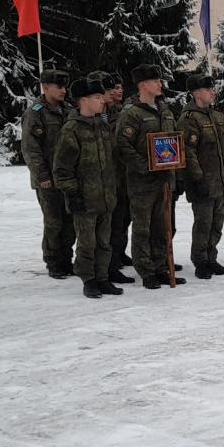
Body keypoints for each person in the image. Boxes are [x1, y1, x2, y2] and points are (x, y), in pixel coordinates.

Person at [52, 79, 124, 298]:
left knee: (104, 241)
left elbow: (112, 160)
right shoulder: (71, 130)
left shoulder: (102, 127)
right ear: (84, 101)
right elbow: (62, 169)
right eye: (97, 97)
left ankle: (102, 277)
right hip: (85, 198)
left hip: (106, 196)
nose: (102, 101)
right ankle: (88, 279)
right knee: (87, 243)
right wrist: (72, 193)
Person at [116, 64, 182, 289]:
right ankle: (146, 270)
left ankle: (162, 267)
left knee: (162, 226)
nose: (159, 85)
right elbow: (123, 146)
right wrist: (145, 166)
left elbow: (173, 140)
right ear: (143, 85)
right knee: (143, 228)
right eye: (155, 81)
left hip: (164, 179)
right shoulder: (132, 113)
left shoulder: (165, 109)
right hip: (142, 181)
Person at [179, 74, 224, 278]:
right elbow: (188, 152)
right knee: (203, 224)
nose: (213, 92)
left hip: (220, 180)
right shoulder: (189, 119)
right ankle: (200, 261)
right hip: (203, 182)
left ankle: (212, 257)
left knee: (216, 224)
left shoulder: (218, 117)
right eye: (207, 89)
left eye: (212, 88)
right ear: (195, 93)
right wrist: (197, 178)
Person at [21, 68, 74, 279]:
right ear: (46, 88)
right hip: (48, 178)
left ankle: (66, 258)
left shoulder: (68, 110)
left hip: (66, 176)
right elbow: (30, 148)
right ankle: (54, 261)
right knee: (54, 222)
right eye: (59, 87)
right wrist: (42, 176)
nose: (63, 90)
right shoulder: (35, 112)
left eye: (65, 87)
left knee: (70, 220)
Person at [87, 70, 136, 284]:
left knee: (119, 224)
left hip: (120, 177)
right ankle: (99, 270)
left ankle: (114, 262)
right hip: (98, 182)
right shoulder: (88, 116)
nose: (113, 92)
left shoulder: (118, 112)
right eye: (107, 89)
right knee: (101, 230)